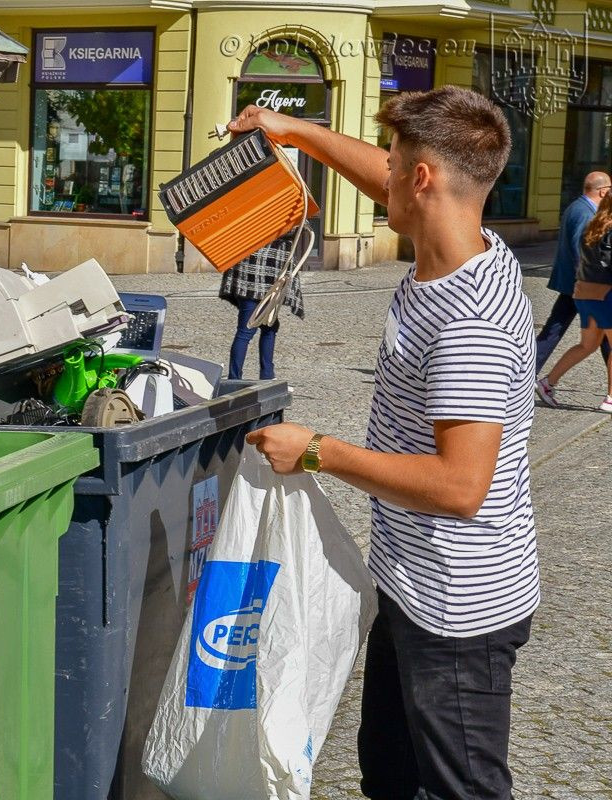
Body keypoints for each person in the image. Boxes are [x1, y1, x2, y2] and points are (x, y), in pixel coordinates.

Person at [232, 86, 538, 800]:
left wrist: (319, 451)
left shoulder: (470, 322)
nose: (384, 175)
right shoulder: (459, 241)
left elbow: (460, 487)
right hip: (410, 583)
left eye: (396, 164)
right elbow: (388, 177)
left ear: (422, 179)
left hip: (456, 608)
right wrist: (294, 131)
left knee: (460, 790)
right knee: (390, 775)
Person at [536, 190, 612, 412]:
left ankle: (547, 383)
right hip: (605, 295)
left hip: (586, 294)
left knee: (587, 345)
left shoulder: (594, 226)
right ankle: (610, 398)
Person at [219, 223, 308, 380]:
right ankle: (236, 378)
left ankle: (265, 375)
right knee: (248, 330)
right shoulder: (283, 216)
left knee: (269, 326)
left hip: (247, 277)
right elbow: (299, 227)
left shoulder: (248, 217)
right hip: (267, 280)